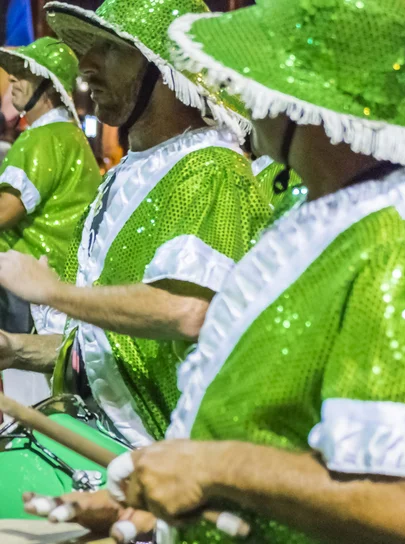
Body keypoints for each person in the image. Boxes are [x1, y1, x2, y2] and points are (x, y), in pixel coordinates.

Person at [33, 0, 405, 544]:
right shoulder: (310, 213)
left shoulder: (399, 248)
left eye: (252, 73)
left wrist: (212, 468)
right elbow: (271, 426)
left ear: (300, 103)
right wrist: (146, 515)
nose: (230, 87)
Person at [0, 0, 269, 508]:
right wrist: (16, 348)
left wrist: (53, 292)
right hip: (100, 434)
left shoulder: (211, 169)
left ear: (165, 70)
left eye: (111, 50)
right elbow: (112, 347)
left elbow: (187, 312)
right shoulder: (132, 171)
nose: (85, 66)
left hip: (160, 465)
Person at [0, 37, 101, 331]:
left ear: (49, 87)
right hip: (54, 284)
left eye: (25, 73)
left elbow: (6, 210)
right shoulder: (68, 135)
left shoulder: (42, 137)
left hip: (26, 287)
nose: (12, 79)